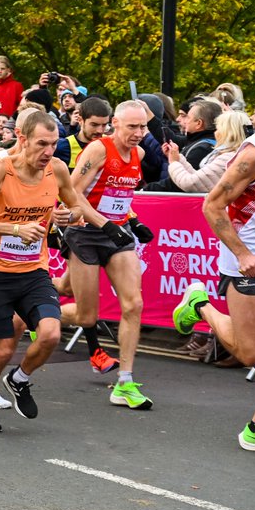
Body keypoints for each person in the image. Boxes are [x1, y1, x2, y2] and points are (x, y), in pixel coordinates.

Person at [0, 110, 125, 432]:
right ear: (21, 139)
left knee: (49, 333)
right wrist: (15, 229)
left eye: (53, 144)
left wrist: (69, 216)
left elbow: (77, 205)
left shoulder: (58, 169)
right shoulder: (0, 170)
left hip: (34, 270)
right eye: (41, 144)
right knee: (4, 348)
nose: (48, 152)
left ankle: (19, 379)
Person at [64, 100, 156, 408]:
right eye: (132, 126)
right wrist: (103, 224)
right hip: (85, 234)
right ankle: (34, 309)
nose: (138, 133)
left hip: (116, 235)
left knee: (134, 304)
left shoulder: (139, 154)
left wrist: (133, 221)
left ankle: (125, 382)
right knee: (86, 315)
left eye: (143, 126)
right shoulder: (98, 150)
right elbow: (73, 192)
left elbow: (119, 195)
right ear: (114, 124)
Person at [173, 130, 255, 451]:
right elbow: (212, 206)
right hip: (245, 261)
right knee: (251, 353)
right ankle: (200, 305)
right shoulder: (254, 156)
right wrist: (242, 254)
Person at [152, 110, 251, 195]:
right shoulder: (234, 155)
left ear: (227, 132)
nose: (215, 133)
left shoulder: (228, 158)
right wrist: (177, 157)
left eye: (218, 129)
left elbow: (190, 183)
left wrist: (174, 162)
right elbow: (200, 180)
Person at [53, 97, 112, 170]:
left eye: (104, 125)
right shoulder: (62, 147)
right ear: (80, 120)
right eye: (94, 125)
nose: (99, 130)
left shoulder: (111, 144)